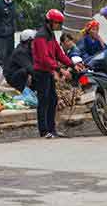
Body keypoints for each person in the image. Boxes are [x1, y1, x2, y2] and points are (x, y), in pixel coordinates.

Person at [32, 9, 76, 139]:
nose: (59, 26)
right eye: (57, 23)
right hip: (41, 72)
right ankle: (44, 131)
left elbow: (59, 53)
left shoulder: (51, 34)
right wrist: (60, 69)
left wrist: (72, 64)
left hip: (48, 72)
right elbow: (44, 58)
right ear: (50, 22)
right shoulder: (41, 36)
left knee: (52, 100)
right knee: (43, 101)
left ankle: (52, 129)